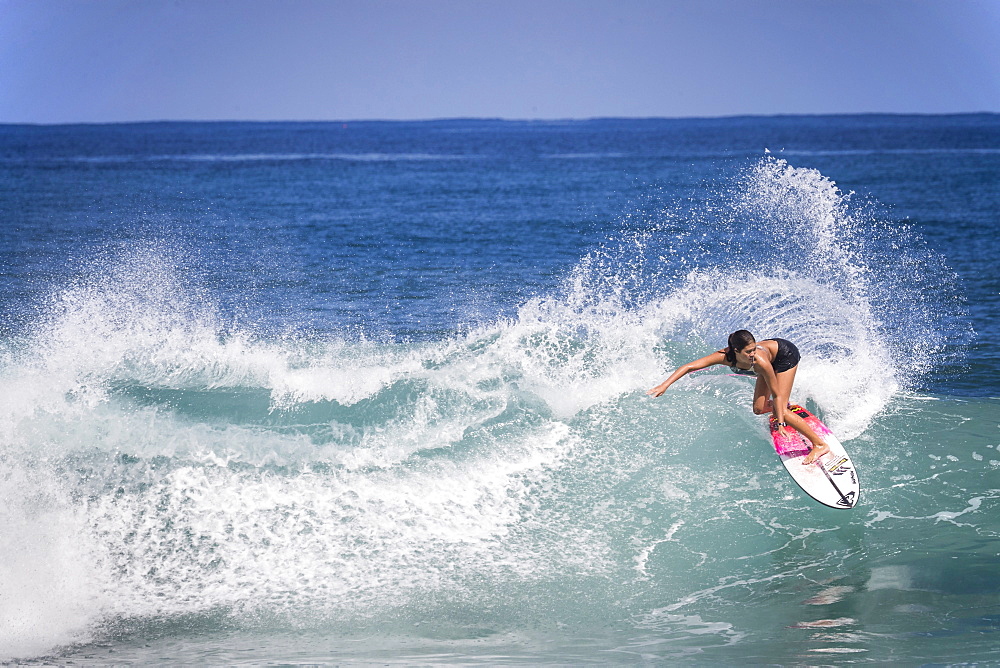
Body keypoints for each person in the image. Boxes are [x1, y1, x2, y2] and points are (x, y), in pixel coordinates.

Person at [646, 330, 829, 465]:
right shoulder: (724, 356)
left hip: (784, 356)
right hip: (769, 362)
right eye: (748, 351)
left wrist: (780, 420)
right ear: (736, 350)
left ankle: (819, 444)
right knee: (759, 409)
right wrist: (665, 385)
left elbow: (776, 393)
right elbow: (689, 367)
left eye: (754, 349)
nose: (752, 354)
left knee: (779, 408)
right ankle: (786, 408)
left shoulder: (760, 360)